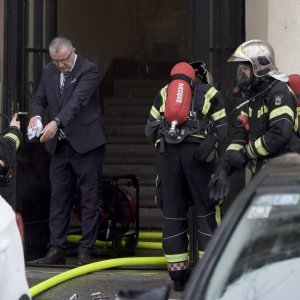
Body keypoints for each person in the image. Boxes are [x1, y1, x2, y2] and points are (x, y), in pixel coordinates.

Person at [145, 61, 227, 291]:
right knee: (207, 212)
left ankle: (178, 277)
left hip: (168, 158)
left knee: (172, 214)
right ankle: (208, 273)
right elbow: (222, 127)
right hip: (199, 159)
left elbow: (150, 129)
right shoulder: (209, 92)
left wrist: (164, 146)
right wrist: (210, 144)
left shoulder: (164, 92)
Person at [28, 37, 106, 265]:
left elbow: (77, 102)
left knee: (89, 198)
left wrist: (56, 122)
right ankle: (56, 248)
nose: (61, 65)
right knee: (58, 197)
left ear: (74, 51)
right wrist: (35, 116)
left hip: (87, 144)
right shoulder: (49, 71)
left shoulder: (89, 70)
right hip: (60, 147)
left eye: (64, 60)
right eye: (56, 61)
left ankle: (85, 250)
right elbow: (39, 97)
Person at [209, 39, 300, 201]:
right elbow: (239, 138)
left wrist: (246, 153)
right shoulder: (251, 98)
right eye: (240, 68)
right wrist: (224, 166)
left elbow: (280, 133)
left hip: (285, 173)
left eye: (244, 68)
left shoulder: (279, 91)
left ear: (259, 67)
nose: (240, 73)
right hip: (263, 173)